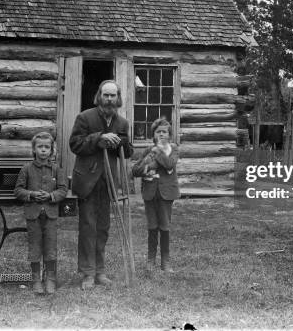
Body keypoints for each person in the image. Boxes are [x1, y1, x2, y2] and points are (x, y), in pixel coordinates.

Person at [69, 80, 133, 289]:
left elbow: (129, 150)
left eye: (112, 96)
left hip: (108, 182)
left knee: (103, 228)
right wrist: (99, 138)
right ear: (99, 96)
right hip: (87, 180)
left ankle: (100, 271)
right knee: (88, 227)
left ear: (118, 98)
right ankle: (87, 273)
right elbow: (75, 144)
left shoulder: (122, 123)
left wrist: (120, 142)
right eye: (105, 95)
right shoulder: (85, 117)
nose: (109, 99)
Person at [14, 132, 68, 294]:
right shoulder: (26, 169)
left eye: (47, 147)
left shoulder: (57, 169)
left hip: (51, 214)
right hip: (33, 214)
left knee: (51, 246)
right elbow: (18, 190)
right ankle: (36, 279)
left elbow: (63, 189)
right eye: (40, 147)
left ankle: (50, 279)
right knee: (35, 246)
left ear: (51, 150)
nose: (43, 150)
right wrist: (30, 194)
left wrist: (51, 196)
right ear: (34, 149)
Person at [132, 118, 180, 272]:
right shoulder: (148, 150)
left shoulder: (173, 149)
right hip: (150, 192)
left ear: (169, 135)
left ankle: (165, 261)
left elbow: (169, 164)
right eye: (158, 132)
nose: (161, 134)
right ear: (153, 134)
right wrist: (147, 162)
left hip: (166, 192)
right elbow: (135, 170)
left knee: (165, 226)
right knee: (152, 225)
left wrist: (157, 154)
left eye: (164, 132)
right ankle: (150, 260)